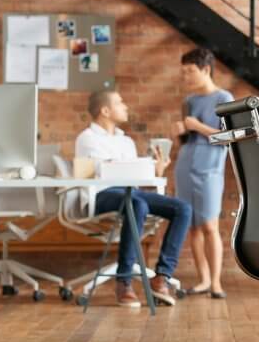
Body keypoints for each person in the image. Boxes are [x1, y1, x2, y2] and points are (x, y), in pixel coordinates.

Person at [76, 90, 193, 307]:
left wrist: (156, 170)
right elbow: (107, 172)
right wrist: (141, 167)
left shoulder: (126, 141)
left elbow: (133, 176)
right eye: (120, 103)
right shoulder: (87, 138)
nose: (125, 107)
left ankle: (162, 278)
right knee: (136, 204)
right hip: (101, 193)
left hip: (131, 191)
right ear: (105, 110)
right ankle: (124, 282)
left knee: (183, 208)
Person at [172, 48, 234, 299]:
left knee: (209, 225)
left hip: (210, 169)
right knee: (192, 227)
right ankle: (203, 280)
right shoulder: (189, 102)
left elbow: (229, 138)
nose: (185, 76)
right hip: (185, 166)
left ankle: (216, 283)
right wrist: (178, 133)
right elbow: (185, 141)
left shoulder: (224, 98)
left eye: (190, 71)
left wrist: (197, 126)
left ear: (206, 70)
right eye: (183, 72)